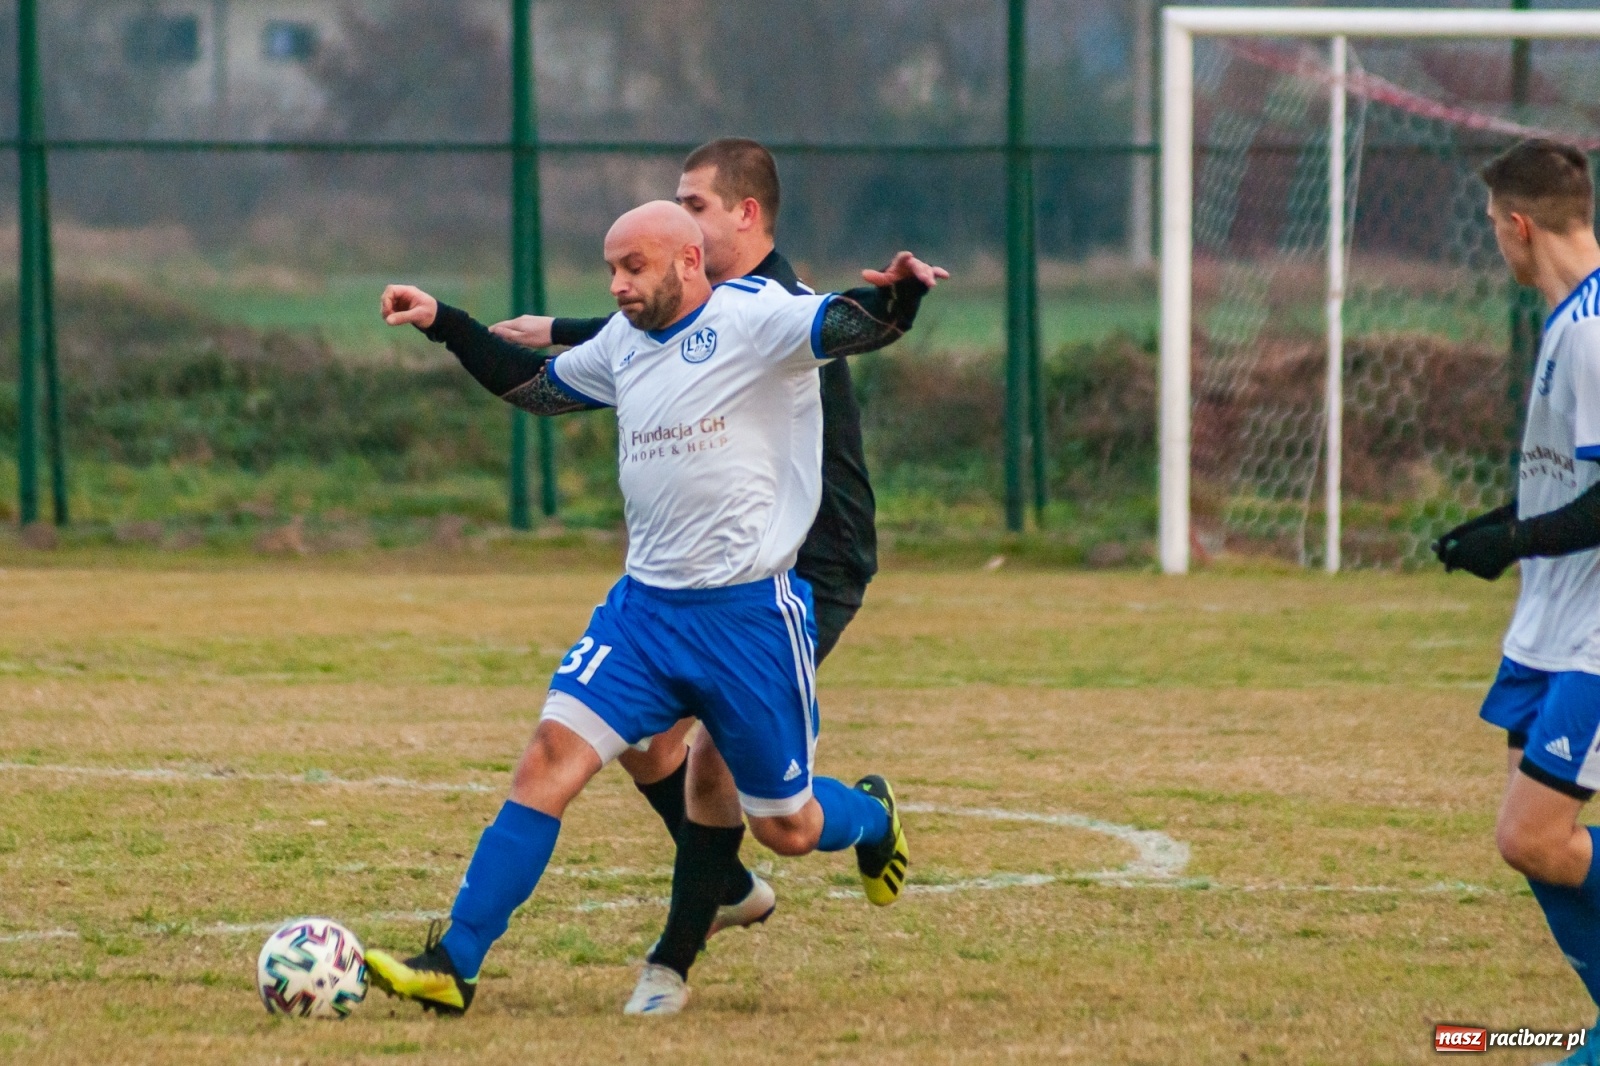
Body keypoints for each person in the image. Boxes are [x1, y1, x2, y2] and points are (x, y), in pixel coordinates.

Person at [365, 200, 940, 1018]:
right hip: (643, 615)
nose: (617, 285)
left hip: (749, 623)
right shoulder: (623, 343)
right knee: (547, 759)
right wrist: (446, 323)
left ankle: (872, 819)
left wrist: (900, 299)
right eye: (610, 269)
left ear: (689, 262)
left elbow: (850, 326)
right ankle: (454, 962)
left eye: (633, 268)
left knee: (789, 826)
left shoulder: (756, 320)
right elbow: (535, 389)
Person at [1435, 138, 1600, 1066]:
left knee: (1533, 836)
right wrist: (1498, 527)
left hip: (1593, 636)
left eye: (1495, 226)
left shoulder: (1596, 328)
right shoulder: (1568, 317)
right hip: (1548, 628)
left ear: (1519, 225)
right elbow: (1567, 480)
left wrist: (1516, 540)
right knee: (1532, 844)